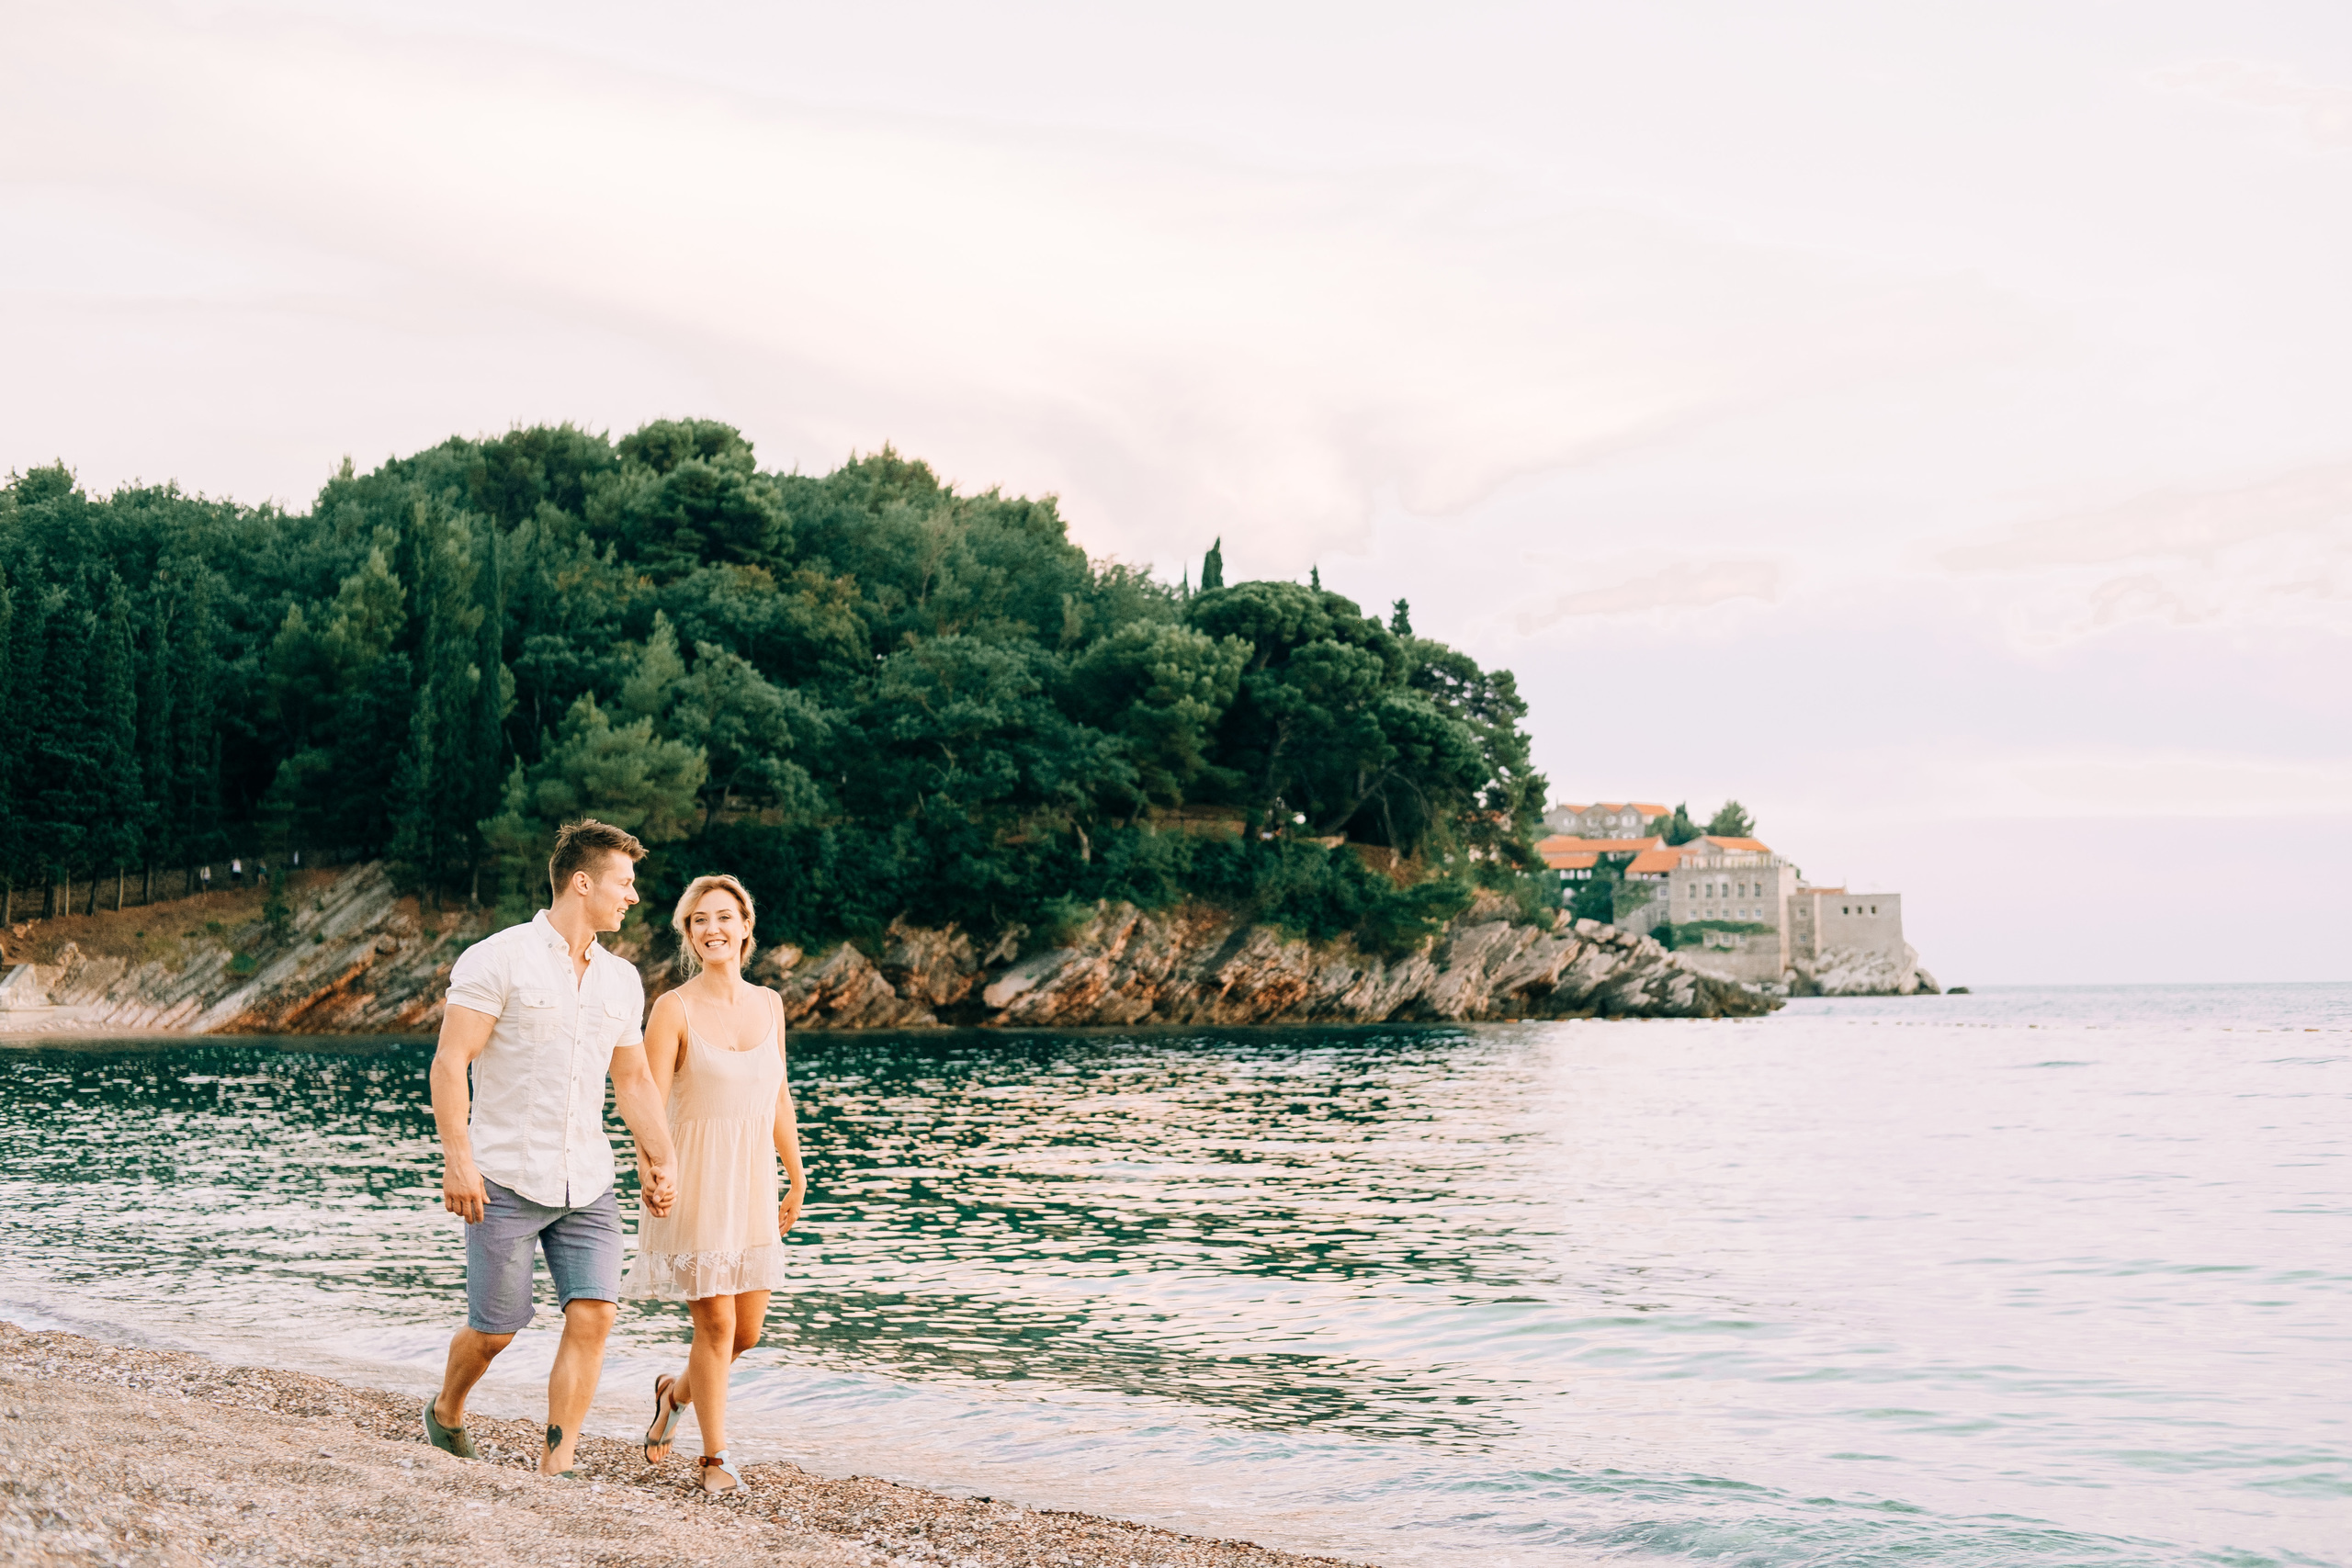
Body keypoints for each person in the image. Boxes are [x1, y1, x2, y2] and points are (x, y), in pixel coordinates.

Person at [423, 819, 680, 1478]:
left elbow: (632, 1079)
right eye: (624, 882)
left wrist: (659, 1159)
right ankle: (447, 1409)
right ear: (582, 881)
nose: (633, 896)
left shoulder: (621, 980)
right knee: (494, 1332)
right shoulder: (497, 957)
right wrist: (459, 1158)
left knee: (594, 1312)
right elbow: (452, 1061)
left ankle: (557, 1463)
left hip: (588, 1181)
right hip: (502, 1175)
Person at [623, 873, 806, 1495]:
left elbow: (777, 1094)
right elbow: (642, 1096)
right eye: (700, 919)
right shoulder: (672, 1008)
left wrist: (797, 1174)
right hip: (693, 1182)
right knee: (716, 1327)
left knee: (747, 1331)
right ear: (687, 931)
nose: (713, 929)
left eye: (724, 916)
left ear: (746, 926)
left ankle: (672, 1394)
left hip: (750, 1184)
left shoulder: (770, 1004)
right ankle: (715, 1457)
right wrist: (651, 1169)